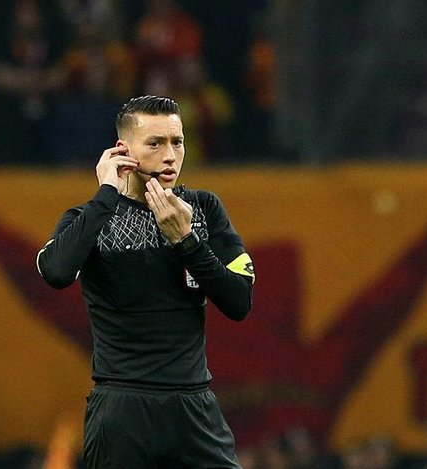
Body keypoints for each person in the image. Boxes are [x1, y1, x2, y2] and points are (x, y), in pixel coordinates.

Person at [36, 95, 255, 468]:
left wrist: (187, 242)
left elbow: (239, 302)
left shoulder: (203, 210)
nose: (170, 156)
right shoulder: (90, 218)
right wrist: (106, 195)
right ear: (123, 151)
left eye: (177, 142)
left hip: (194, 407)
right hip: (122, 410)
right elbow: (55, 272)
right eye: (155, 143)